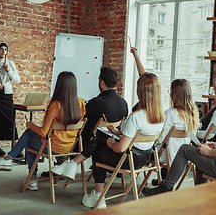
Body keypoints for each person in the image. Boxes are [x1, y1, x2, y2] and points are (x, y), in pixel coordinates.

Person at [52, 73, 164, 209]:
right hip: (144, 158)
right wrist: (117, 132)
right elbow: (137, 136)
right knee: (102, 136)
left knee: (98, 151)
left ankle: (97, 194)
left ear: (140, 91)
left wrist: (110, 143)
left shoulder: (137, 117)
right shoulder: (160, 116)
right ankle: (73, 165)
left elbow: (120, 148)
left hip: (129, 159)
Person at [0, 71, 86, 191]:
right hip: (69, 148)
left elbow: (44, 133)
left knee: (29, 140)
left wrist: (30, 125)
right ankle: (10, 160)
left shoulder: (56, 105)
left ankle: (24, 173)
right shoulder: (81, 103)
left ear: (59, 86)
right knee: (31, 136)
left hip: (53, 147)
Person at [153, 79, 199, 184]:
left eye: (171, 90)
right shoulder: (192, 114)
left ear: (174, 94)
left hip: (165, 155)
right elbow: (192, 136)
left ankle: (163, 177)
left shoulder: (170, 114)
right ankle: (164, 177)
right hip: (181, 158)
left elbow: (160, 139)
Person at [80, 67, 128, 148]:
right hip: (112, 142)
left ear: (102, 83)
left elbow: (81, 118)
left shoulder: (96, 102)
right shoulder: (123, 103)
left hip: (90, 143)